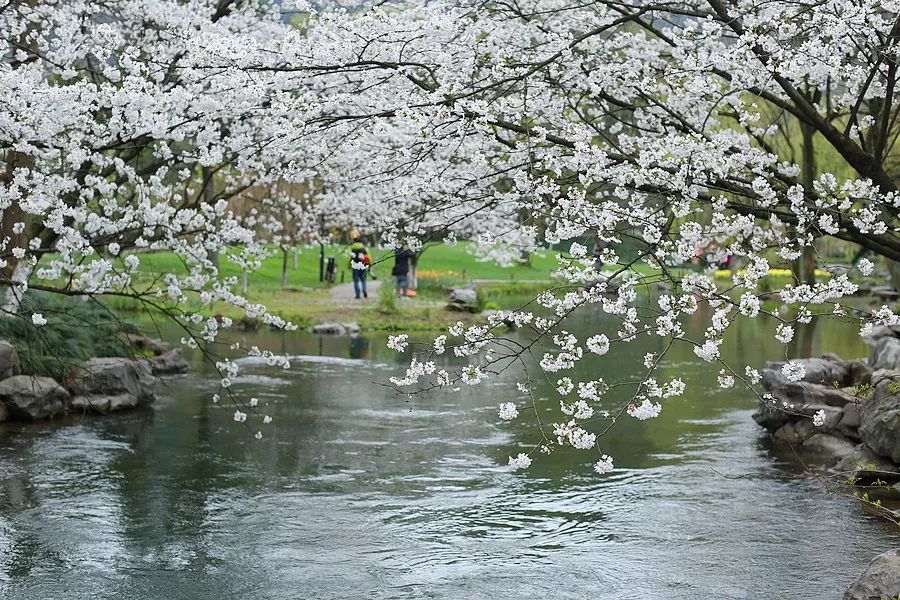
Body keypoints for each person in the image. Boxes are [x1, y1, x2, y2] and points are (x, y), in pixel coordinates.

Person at [348, 230, 370, 299]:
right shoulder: (363, 247)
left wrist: (348, 265)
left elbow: (349, 258)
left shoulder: (351, 248)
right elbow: (368, 256)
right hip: (363, 266)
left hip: (355, 266)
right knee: (363, 279)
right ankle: (364, 289)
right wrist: (369, 264)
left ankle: (357, 294)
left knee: (356, 280)